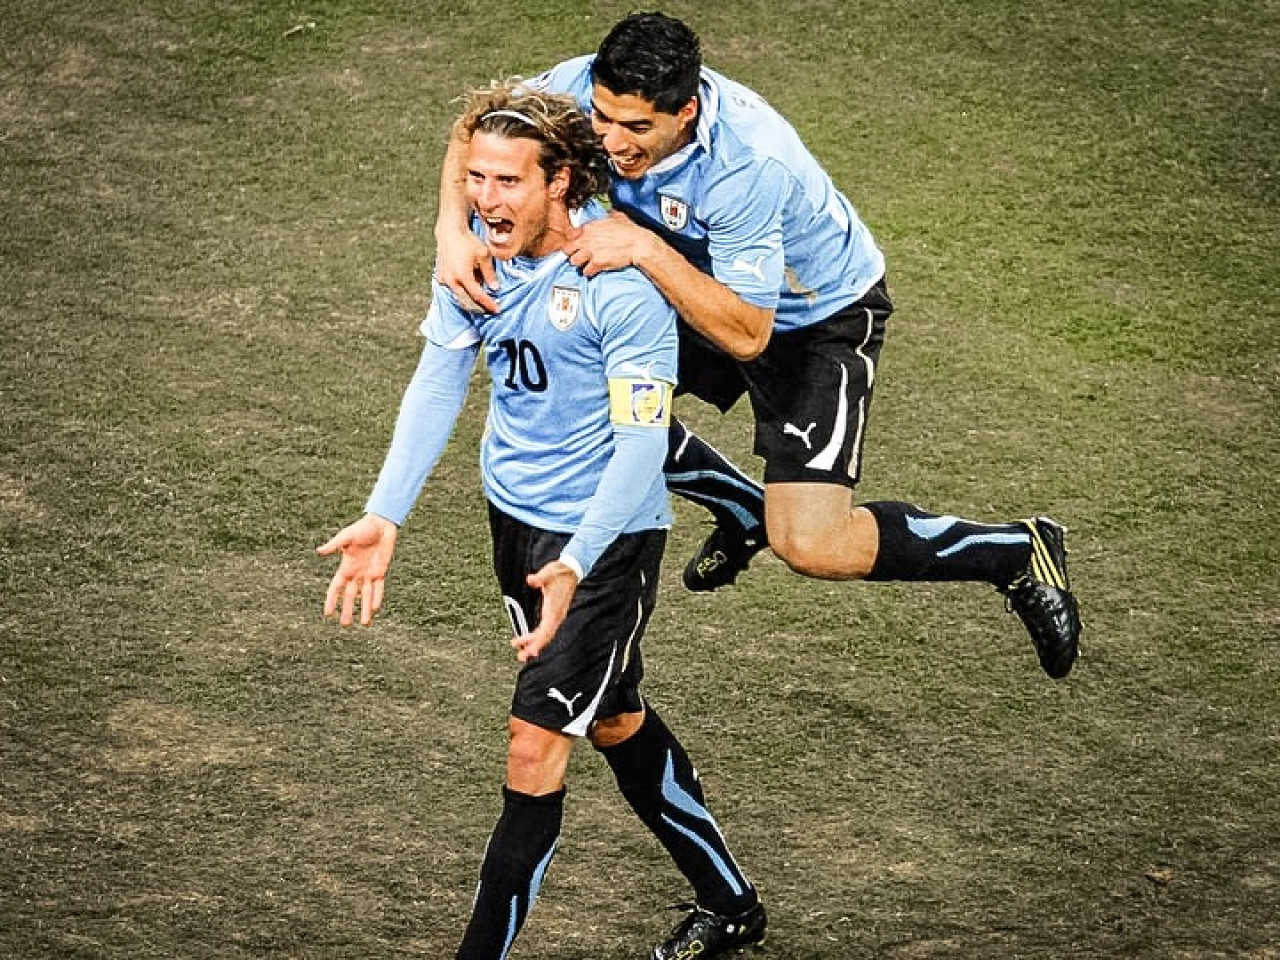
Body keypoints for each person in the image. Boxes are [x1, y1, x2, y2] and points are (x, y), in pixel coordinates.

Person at [432, 11, 1081, 679]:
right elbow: (476, 130)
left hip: (815, 319)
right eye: (603, 117)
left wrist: (646, 249)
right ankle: (740, 509)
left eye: (636, 129)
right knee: (580, 392)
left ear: (685, 112)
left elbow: (747, 333)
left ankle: (1013, 551)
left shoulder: (746, 162)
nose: (610, 142)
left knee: (811, 544)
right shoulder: (578, 88)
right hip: (698, 275)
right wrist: (452, 231)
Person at [317, 83, 766, 960]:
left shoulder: (620, 285)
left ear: (560, 183)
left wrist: (578, 560)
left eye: (508, 182)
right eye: (476, 178)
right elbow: (438, 381)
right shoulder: (477, 262)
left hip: (603, 546)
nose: (485, 199)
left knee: (533, 750)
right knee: (613, 719)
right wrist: (386, 514)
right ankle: (730, 900)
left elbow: (643, 449)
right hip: (514, 528)